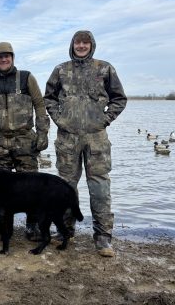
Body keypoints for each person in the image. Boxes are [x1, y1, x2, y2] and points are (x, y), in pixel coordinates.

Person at [44, 30, 127, 257]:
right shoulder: (61, 70)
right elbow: (48, 98)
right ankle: (65, 231)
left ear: (91, 45)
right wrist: (59, 119)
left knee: (100, 187)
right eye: (78, 42)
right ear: (72, 45)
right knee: (65, 187)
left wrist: (105, 119)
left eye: (85, 42)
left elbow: (119, 99)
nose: (81, 46)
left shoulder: (104, 68)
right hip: (67, 139)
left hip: (96, 138)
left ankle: (102, 237)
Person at [0, 42, 50, 240]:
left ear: (13, 57)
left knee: (30, 186)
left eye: (7, 56)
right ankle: (1, 223)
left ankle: (32, 225)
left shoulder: (26, 78)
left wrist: (43, 133)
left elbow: (40, 106)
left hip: (25, 140)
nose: (3, 59)